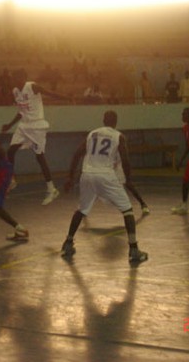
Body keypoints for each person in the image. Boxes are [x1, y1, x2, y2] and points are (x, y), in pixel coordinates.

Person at [60, 110, 149, 264]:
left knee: (81, 209)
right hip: (105, 174)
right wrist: (128, 178)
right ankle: (134, 249)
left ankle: (68, 243)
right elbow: (125, 160)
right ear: (116, 122)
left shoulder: (92, 134)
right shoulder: (118, 136)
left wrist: (70, 176)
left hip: (87, 174)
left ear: (103, 120)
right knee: (127, 210)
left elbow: (76, 154)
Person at [1, 69, 69, 205]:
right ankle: (11, 181)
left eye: (16, 77)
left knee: (39, 157)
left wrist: (66, 98)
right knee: (10, 151)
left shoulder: (32, 86)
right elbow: (21, 112)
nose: (14, 80)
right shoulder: (15, 91)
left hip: (37, 126)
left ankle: (51, 189)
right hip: (24, 126)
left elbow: (50, 93)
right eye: (14, 78)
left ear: (22, 78)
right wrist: (9, 125)